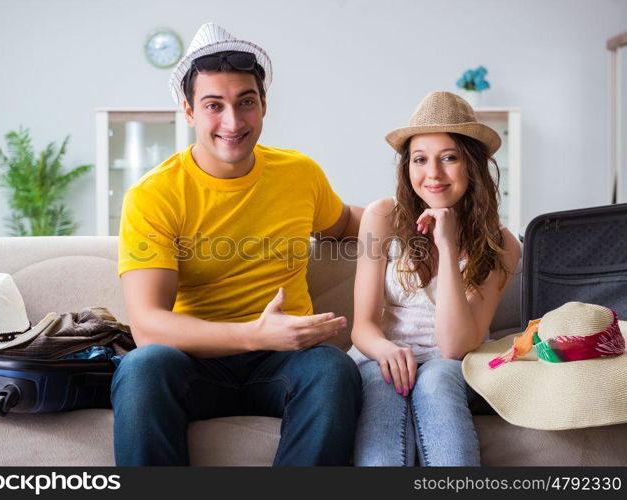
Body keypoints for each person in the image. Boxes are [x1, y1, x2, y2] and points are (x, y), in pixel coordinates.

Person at [111, 23, 364, 466]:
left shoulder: (298, 173)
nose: (233, 121)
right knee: (141, 368)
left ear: (264, 105)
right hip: (195, 362)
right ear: (189, 111)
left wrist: (419, 219)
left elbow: (344, 223)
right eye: (214, 106)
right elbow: (148, 326)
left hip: (286, 361)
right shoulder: (154, 195)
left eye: (246, 102)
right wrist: (254, 334)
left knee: (333, 369)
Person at [348, 91, 522, 466]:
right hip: (384, 354)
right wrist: (385, 350)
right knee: (382, 382)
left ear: (472, 165)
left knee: (436, 380)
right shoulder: (382, 218)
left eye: (449, 158)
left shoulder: (502, 243)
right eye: (420, 159)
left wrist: (445, 244)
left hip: (455, 363)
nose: (433, 174)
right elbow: (362, 326)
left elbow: (454, 347)